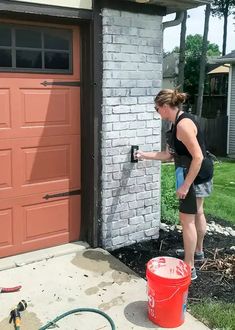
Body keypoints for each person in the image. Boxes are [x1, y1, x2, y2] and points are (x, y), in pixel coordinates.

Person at [136, 89, 213, 280]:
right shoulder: (176, 123)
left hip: (194, 175)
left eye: (156, 109)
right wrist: (142, 154)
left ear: (165, 106)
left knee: (187, 221)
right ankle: (198, 252)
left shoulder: (183, 125)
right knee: (198, 213)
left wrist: (186, 185)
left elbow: (197, 157)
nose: (157, 113)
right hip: (199, 173)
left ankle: (189, 268)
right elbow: (168, 155)